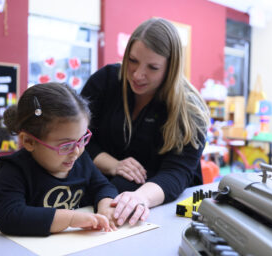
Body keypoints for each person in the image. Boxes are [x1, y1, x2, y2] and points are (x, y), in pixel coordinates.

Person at [81, 18, 210, 226]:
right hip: (102, 191)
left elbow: (177, 172)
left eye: (153, 67)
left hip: (163, 207)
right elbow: (77, 140)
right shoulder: (105, 82)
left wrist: (139, 198)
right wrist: (114, 165)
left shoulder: (190, 110)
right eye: (132, 60)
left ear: (171, 68)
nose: (138, 74)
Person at [0, 82, 119, 236]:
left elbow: (103, 187)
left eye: (82, 139)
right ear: (29, 141)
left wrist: (106, 206)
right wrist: (71, 219)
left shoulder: (81, 160)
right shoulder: (13, 169)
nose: (76, 151)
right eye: (66, 145)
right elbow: (10, 217)